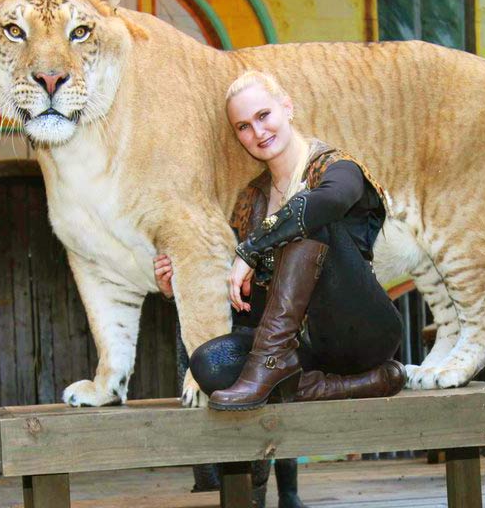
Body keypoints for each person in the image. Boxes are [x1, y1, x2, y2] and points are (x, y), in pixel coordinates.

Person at [155, 70, 405, 507]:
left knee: (308, 216)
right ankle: (342, 384)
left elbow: (326, 202)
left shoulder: (337, 168)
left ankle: (283, 368)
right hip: (297, 351)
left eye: (264, 115)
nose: (258, 131)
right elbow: (251, 305)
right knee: (208, 363)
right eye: (243, 127)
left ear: (287, 107)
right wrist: (182, 285)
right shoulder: (250, 199)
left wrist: (251, 248)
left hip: (359, 331)